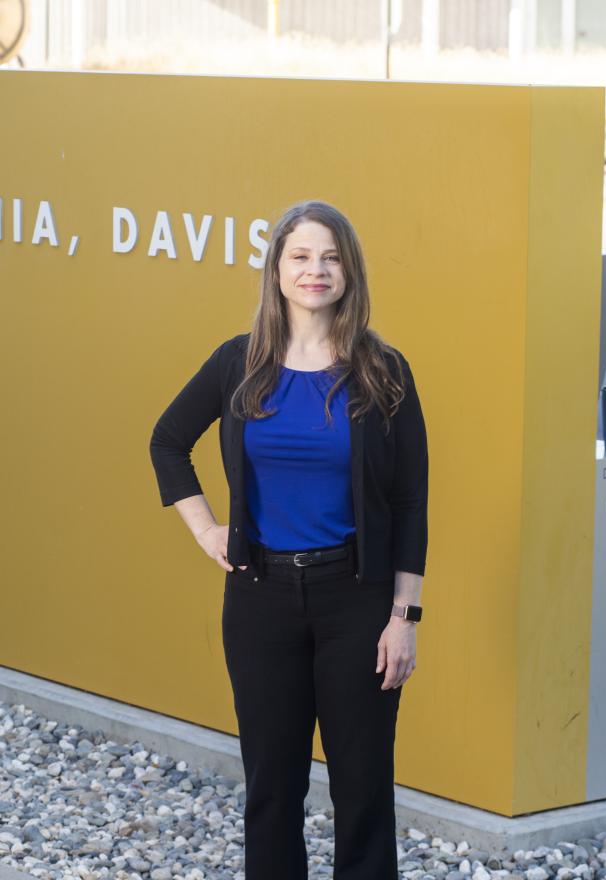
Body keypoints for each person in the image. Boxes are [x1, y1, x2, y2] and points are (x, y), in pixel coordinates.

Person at [149, 198, 429, 880]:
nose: (316, 270)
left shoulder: (382, 369)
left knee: (362, 788)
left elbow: (410, 502)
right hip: (259, 598)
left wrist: (403, 618)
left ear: (349, 272)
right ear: (276, 270)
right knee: (273, 787)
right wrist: (208, 530)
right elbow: (167, 442)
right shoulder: (236, 364)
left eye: (331, 257)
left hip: (356, 602)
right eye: (301, 256)